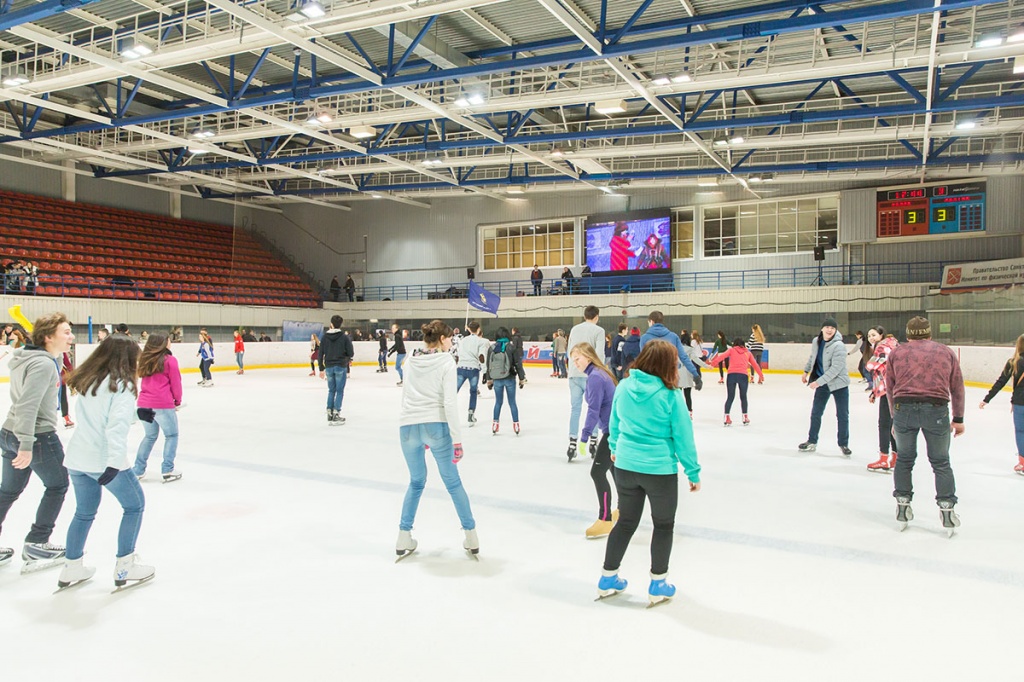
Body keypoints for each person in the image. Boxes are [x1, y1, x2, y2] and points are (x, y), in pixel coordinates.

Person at [596, 340, 701, 607]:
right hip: (659, 471)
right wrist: (692, 471)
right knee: (663, 525)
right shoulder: (671, 394)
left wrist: (617, 447)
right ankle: (658, 583)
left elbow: (614, 423)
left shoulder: (625, 385)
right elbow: (683, 436)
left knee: (626, 522)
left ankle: (608, 578)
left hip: (626, 467)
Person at [58, 335, 153, 591]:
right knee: (134, 506)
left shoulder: (90, 380)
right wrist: (113, 463)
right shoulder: (121, 385)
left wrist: (137, 412)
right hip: (104, 460)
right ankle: (125, 565)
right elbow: (115, 427)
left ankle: (71, 566)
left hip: (78, 459)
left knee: (84, 512)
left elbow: (102, 417)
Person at [395, 320, 477, 561]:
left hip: (408, 426)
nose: (452, 342)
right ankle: (471, 536)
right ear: (441, 339)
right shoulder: (446, 361)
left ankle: (403, 535)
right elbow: (449, 403)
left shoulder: (410, 359)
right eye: (450, 338)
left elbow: (405, 396)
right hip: (437, 425)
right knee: (452, 483)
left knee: (416, 482)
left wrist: (412, 421)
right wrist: (457, 440)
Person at [0, 312, 74, 571]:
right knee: (58, 485)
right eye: (65, 332)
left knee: (7, 491)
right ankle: (37, 543)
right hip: (36, 435)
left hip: (9, 431)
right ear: (47, 337)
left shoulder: (26, 358)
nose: (71, 336)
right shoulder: (43, 364)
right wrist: (26, 445)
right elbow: (29, 405)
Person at [887, 316, 965, 535]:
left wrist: (895, 417)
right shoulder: (945, 352)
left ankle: (903, 506)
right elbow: (957, 386)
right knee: (940, 462)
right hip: (936, 410)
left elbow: (890, 388)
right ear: (929, 333)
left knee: (904, 459)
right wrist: (958, 419)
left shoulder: (897, 353)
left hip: (904, 410)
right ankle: (947, 510)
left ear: (908, 333)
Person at [570, 342, 618, 538]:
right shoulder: (599, 373)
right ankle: (622, 509)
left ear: (588, 357)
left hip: (612, 432)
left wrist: (583, 436)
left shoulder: (596, 378)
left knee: (597, 472)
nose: (576, 363)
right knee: (615, 470)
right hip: (615, 429)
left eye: (578, 359)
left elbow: (593, 410)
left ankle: (605, 518)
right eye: (573, 360)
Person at [133, 333, 183, 482]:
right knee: (171, 435)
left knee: (149, 436)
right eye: (168, 340)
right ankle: (167, 469)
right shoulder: (170, 360)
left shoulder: (144, 360)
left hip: (143, 404)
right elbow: (176, 383)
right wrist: (177, 400)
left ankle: (138, 470)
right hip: (161, 404)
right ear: (164, 343)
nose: (170, 342)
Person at [798, 317, 851, 455]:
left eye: (832, 328)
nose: (829, 330)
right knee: (816, 413)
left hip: (839, 384)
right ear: (822, 329)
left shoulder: (839, 346)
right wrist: (806, 371)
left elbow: (836, 368)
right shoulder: (816, 341)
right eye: (827, 327)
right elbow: (813, 357)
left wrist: (818, 382)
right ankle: (812, 441)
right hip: (822, 383)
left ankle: (843, 444)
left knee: (842, 414)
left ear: (835, 331)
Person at [980, 333, 1024, 476]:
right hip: (1018, 402)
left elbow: (1001, 382)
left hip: (1020, 403)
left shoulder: (1013, 362)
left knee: (1021, 432)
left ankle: (1023, 464)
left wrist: (987, 399)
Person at [566, 306, 605, 461]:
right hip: (591, 375)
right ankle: (593, 441)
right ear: (596, 316)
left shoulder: (575, 329)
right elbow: (600, 354)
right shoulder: (599, 331)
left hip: (575, 374)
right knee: (593, 408)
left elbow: (570, 351)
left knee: (575, 409)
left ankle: (572, 443)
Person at [865, 326, 899, 472]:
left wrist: (869, 363)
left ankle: (884, 458)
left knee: (884, 424)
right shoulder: (894, 344)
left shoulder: (883, 347)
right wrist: (874, 392)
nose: (871, 338)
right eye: (869, 336)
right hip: (895, 388)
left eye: (873, 335)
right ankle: (896, 458)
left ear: (881, 335)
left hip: (888, 389)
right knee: (892, 424)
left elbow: (872, 365)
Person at [708, 337, 763, 426]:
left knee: (730, 397)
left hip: (731, 375)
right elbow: (755, 364)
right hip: (743, 376)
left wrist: (712, 364)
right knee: (743, 397)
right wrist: (761, 375)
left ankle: (727, 417)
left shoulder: (731, 350)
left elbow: (721, 357)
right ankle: (745, 417)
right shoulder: (747, 353)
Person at [639, 311, 701, 386]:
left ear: (651, 322)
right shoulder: (673, 337)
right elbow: (684, 357)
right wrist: (695, 375)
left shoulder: (644, 338)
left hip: (651, 379)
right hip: (669, 378)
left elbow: (643, 360)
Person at [486, 326, 526, 434]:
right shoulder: (511, 347)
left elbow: (488, 365)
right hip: (509, 378)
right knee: (512, 402)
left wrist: (489, 380)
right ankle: (516, 424)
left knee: (498, 402)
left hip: (497, 379)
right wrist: (522, 378)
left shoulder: (492, 348)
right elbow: (518, 364)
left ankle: (495, 424)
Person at [318, 315, 354, 426]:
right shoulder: (344, 337)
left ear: (331, 323)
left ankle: (329, 411)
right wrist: (346, 359)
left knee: (331, 390)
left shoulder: (324, 337)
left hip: (328, 367)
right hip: (340, 366)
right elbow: (351, 352)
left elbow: (320, 354)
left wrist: (321, 368)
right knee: (339, 391)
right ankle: (336, 413)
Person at [456, 322, 489, 426]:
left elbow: (457, 354)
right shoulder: (482, 341)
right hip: (473, 369)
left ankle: (445, 413)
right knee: (473, 392)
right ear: (479, 329)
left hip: (461, 368)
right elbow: (482, 357)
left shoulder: (462, 341)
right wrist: (485, 372)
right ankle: (471, 414)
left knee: (453, 391)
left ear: (469, 329)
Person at [678, 332, 713, 418]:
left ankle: (678, 412)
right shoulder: (690, 349)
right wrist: (706, 366)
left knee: (677, 395)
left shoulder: (676, 349)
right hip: (688, 373)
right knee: (687, 395)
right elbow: (696, 359)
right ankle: (689, 412)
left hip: (678, 374)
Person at [59, 351, 75, 429]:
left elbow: (67, 363)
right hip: (47, 381)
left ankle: (66, 418)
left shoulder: (61, 351)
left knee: (63, 399)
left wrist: (72, 375)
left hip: (60, 380)